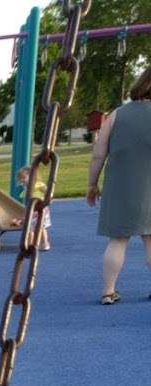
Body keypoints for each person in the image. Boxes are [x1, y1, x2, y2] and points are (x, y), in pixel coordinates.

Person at [86, 66, 151, 304]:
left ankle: (108, 290)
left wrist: (91, 185)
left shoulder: (116, 115)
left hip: (120, 187)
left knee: (117, 240)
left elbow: (98, 154)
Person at [14, 167, 51, 249]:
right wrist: (24, 215)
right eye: (21, 179)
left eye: (24, 178)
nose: (22, 180)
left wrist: (49, 197)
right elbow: (26, 203)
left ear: (31, 176)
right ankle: (31, 245)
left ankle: (45, 243)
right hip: (32, 210)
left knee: (41, 227)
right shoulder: (26, 189)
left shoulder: (38, 184)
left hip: (41, 209)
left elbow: (47, 191)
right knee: (30, 229)